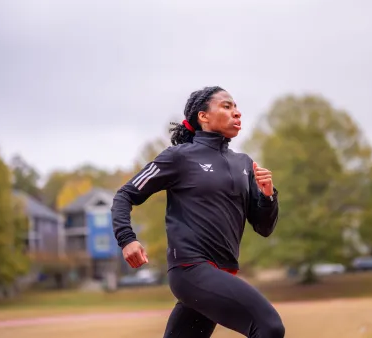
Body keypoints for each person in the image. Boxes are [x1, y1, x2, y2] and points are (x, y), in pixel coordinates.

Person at [111, 86, 285, 338]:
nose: (237, 113)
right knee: (269, 326)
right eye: (227, 106)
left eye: (236, 107)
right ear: (203, 116)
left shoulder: (245, 164)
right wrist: (127, 239)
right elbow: (124, 194)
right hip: (190, 270)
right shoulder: (179, 157)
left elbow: (264, 227)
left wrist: (268, 196)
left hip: (222, 271)